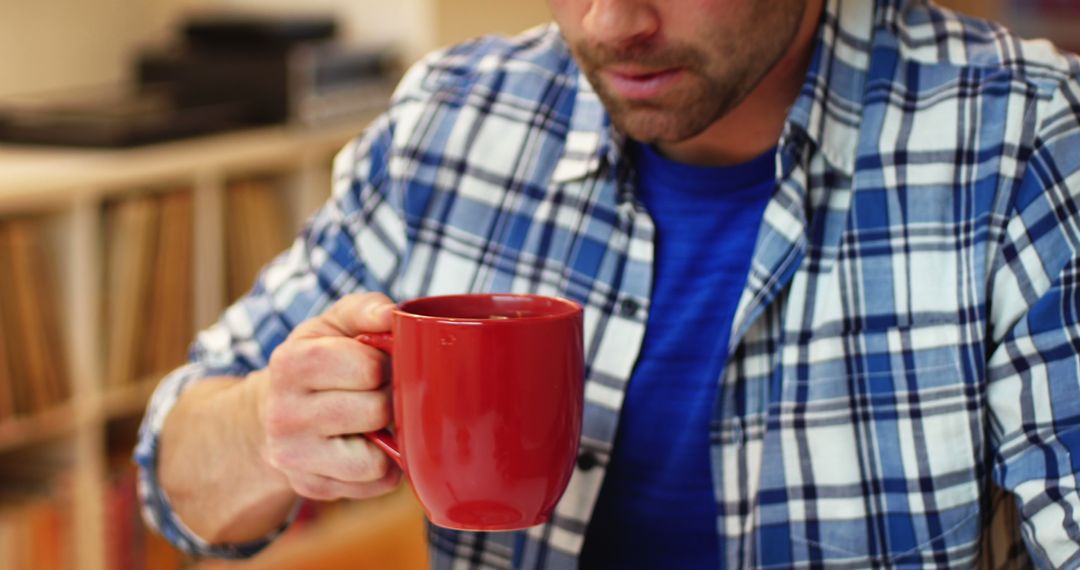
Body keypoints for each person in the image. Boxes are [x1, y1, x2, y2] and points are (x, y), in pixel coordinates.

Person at [136, 0, 1080, 567]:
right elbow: (173, 477)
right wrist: (270, 426)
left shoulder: (1021, 140)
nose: (613, 23)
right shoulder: (452, 122)